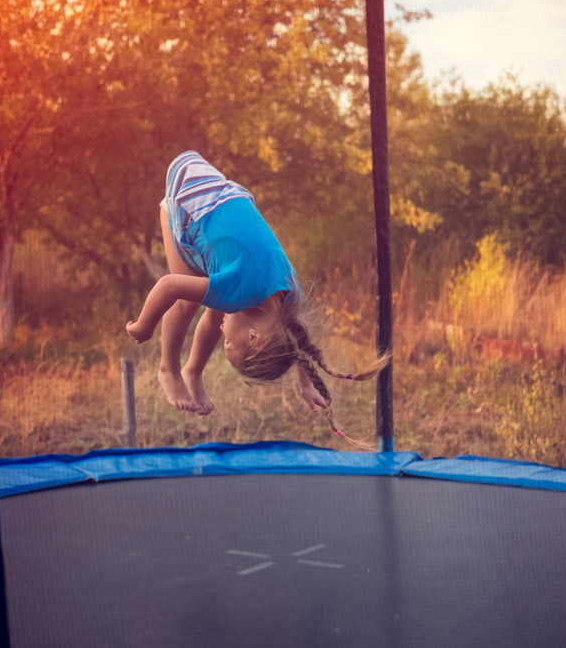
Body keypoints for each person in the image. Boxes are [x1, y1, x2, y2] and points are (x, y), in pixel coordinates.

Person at [126, 150, 389, 440]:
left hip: (221, 193)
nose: (223, 331)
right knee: (188, 302)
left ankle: (193, 372)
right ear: (253, 337)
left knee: (218, 307)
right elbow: (166, 286)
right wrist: (143, 327)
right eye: (228, 341)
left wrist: (305, 384)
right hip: (185, 193)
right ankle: (170, 369)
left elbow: (295, 341)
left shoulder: (288, 299)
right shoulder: (237, 288)